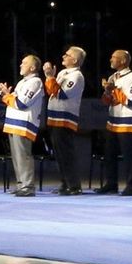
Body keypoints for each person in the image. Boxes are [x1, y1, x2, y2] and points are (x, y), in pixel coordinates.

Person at [95, 49, 132, 195]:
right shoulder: (113, 77)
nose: (111, 59)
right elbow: (106, 101)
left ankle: (131, 185)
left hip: (127, 121)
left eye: (114, 57)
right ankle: (111, 183)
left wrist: (113, 90)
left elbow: (130, 101)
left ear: (123, 61)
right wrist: (107, 92)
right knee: (109, 154)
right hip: (113, 121)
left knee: (128, 155)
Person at [0, 55, 45, 196]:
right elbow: (14, 100)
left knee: (23, 156)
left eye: (24, 63)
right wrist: (6, 94)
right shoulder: (22, 82)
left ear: (32, 67)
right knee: (17, 156)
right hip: (15, 123)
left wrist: (7, 95)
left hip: (24, 124)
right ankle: (21, 184)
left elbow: (21, 103)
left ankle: (28, 186)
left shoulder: (35, 82)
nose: (20, 65)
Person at [43, 46, 86, 195]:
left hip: (65, 118)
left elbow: (62, 94)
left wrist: (49, 77)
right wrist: (50, 78)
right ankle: (65, 183)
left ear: (74, 60)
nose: (63, 56)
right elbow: (50, 91)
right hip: (55, 117)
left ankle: (74, 185)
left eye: (67, 55)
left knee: (66, 153)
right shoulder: (62, 73)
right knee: (59, 153)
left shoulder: (77, 76)